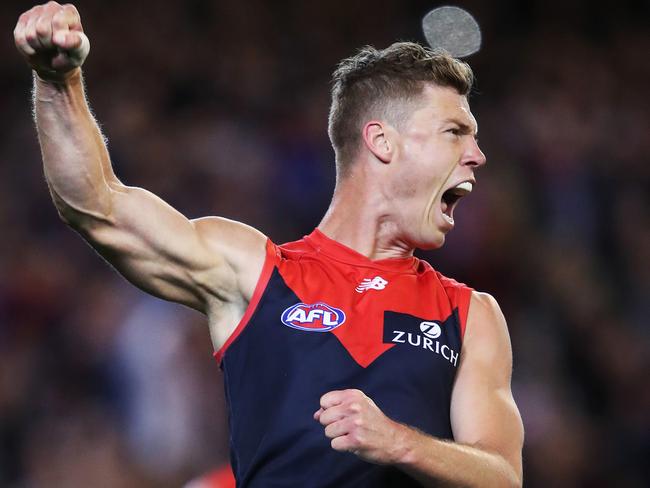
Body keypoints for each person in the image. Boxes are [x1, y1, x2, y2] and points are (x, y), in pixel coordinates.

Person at [14, 2, 524, 487]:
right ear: (382, 142)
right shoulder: (257, 271)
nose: (478, 155)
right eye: (455, 132)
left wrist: (401, 443)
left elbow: (503, 475)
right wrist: (58, 81)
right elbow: (96, 206)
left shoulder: (471, 314)